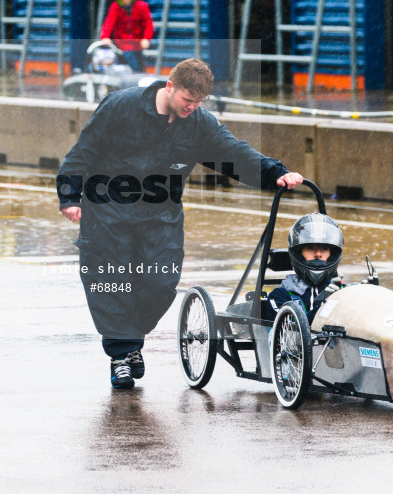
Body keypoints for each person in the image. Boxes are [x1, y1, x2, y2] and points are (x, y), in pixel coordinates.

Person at [56, 58, 304, 389]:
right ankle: (121, 355)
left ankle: (131, 339)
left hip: (160, 215)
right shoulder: (120, 106)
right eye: (188, 100)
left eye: (198, 102)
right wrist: (70, 195)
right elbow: (83, 151)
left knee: (161, 282)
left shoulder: (198, 123)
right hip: (107, 213)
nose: (192, 108)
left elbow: (233, 153)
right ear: (169, 87)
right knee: (111, 284)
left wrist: (276, 173)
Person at [261, 213, 345, 323]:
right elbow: (290, 331)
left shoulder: (343, 291)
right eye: (311, 248)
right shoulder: (279, 296)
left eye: (324, 248)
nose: (318, 254)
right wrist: (323, 306)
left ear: (332, 254)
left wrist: (368, 295)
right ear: (298, 253)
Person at [99, 0, 154, 72]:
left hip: (138, 44)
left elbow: (148, 24)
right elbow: (109, 22)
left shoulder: (141, 6)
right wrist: (105, 37)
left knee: (141, 66)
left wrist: (146, 38)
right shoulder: (115, 7)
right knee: (134, 66)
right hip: (123, 44)